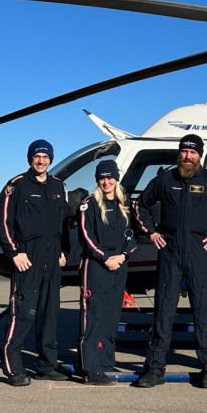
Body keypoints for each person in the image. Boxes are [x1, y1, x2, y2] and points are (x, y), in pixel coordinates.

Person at [132, 134, 207, 389]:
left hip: (200, 252)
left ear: (200, 155)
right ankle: (155, 368)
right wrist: (152, 232)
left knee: (203, 311)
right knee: (163, 310)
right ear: (179, 153)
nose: (187, 156)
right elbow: (140, 206)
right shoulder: (164, 179)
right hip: (169, 251)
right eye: (184, 151)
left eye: (192, 152)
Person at [0, 139, 70, 387]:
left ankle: (46, 366)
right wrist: (14, 252)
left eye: (45, 157)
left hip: (52, 260)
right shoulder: (16, 186)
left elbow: (66, 222)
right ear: (30, 158)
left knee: (49, 315)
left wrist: (64, 251)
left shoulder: (58, 186)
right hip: (28, 258)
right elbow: (1, 222)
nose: (41, 160)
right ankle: (13, 368)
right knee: (23, 313)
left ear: (51, 159)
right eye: (37, 156)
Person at [77, 160, 137, 385]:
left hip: (119, 265)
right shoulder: (89, 203)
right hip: (96, 266)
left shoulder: (124, 203)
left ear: (116, 179)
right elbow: (86, 234)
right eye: (102, 178)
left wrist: (123, 256)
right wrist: (104, 258)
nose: (106, 182)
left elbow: (132, 234)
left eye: (110, 177)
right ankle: (90, 370)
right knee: (93, 317)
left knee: (112, 315)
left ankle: (105, 361)